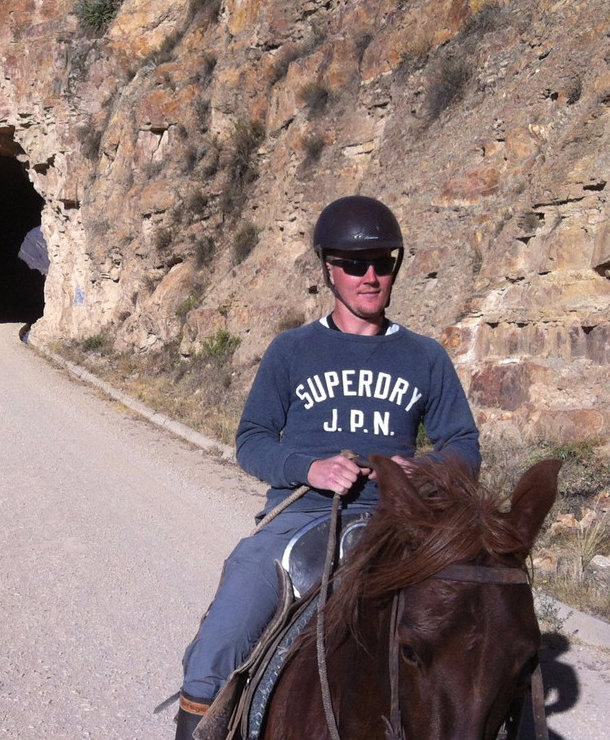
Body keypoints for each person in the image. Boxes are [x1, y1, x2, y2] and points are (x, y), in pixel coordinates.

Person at [174, 195, 481, 739]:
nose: (370, 277)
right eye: (355, 265)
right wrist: (309, 468)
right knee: (222, 638)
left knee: (482, 634)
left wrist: (423, 470)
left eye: (382, 263)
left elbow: (464, 444)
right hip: (303, 518)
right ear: (329, 270)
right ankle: (199, 718)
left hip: (398, 522)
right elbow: (252, 440)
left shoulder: (425, 356)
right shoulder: (292, 350)